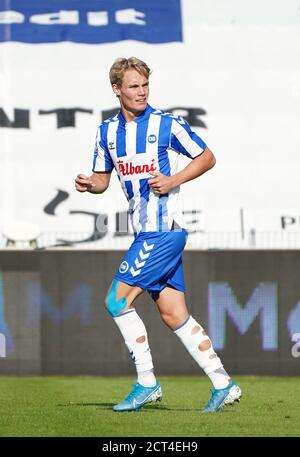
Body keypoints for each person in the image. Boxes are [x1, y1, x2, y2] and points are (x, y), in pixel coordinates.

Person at [75, 57, 242, 413]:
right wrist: (91, 185)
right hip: (148, 232)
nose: (141, 92)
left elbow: (207, 157)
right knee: (173, 314)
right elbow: (103, 180)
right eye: (133, 86)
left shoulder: (167, 124)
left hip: (161, 232)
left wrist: (173, 180)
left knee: (117, 302)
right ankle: (223, 383)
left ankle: (147, 382)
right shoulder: (107, 132)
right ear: (116, 89)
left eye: (145, 85)